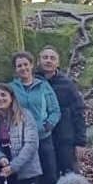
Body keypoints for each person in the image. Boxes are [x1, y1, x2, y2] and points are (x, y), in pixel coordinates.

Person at [11, 51, 60, 184]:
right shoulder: (11, 88)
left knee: (50, 175)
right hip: (22, 141)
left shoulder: (43, 86)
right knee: (28, 179)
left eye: (26, 64)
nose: (23, 68)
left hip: (43, 138)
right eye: (19, 66)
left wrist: (48, 125)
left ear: (32, 65)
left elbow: (55, 110)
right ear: (15, 69)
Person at [37, 46, 86, 176]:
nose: (48, 61)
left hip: (64, 138)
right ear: (39, 61)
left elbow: (79, 112)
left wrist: (80, 142)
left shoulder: (67, 84)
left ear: (58, 63)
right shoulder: (32, 81)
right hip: (40, 138)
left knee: (69, 173)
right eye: (45, 57)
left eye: (52, 58)